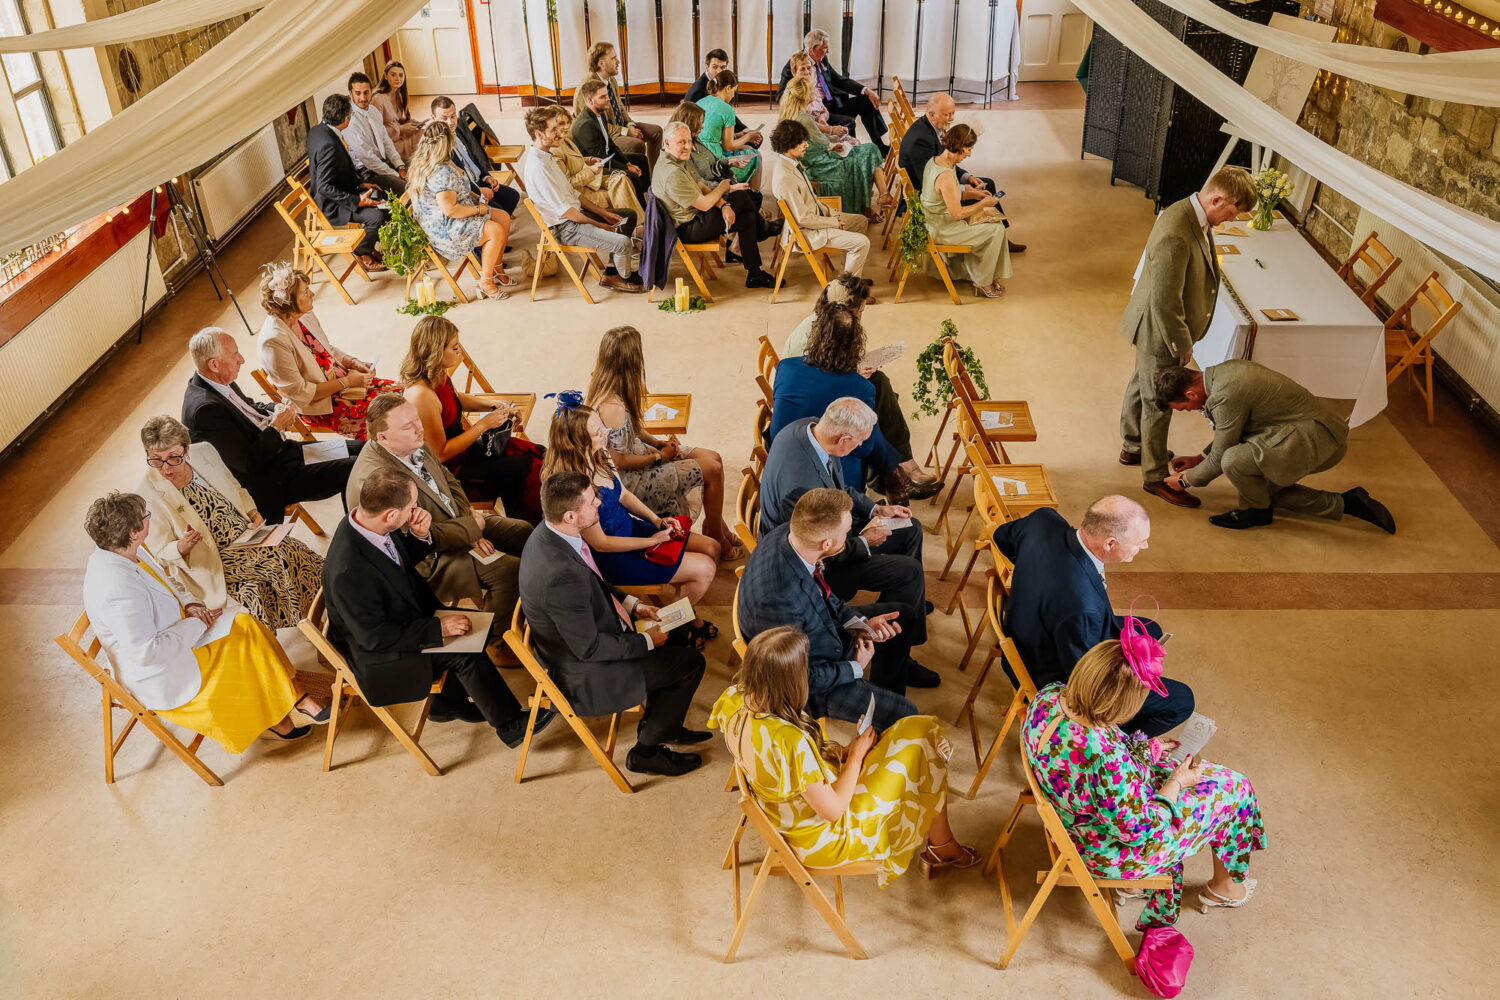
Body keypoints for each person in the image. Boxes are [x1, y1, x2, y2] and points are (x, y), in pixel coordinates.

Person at [1024, 640, 1266, 927]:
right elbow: (1142, 830)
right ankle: (1224, 887)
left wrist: (1143, 749)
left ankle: (1135, 887)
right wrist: (1176, 782)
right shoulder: (1105, 759)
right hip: (1104, 847)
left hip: (1077, 815)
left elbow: (1091, 769)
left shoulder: (1049, 696)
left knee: (1189, 773)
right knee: (1234, 789)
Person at [709, 627, 978, 883]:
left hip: (805, 799)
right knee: (924, 743)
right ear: (790, 681)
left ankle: (940, 830)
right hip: (823, 837)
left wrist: (850, 751)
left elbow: (793, 770)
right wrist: (857, 756)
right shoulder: (789, 741)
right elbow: (833, 811)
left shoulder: (735, 698)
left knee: (918, 731)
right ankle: (942, 842)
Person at [323, 467, 550, 745]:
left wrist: (419, 535)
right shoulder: (348, 570)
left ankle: (445, 703)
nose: (416, 510)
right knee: (464, 650)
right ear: (391, 515)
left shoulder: (366, 521)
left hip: (402, 619)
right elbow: (373, 637)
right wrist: (437, 628)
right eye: (412, 507)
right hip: (380, 655)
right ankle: (510, 725)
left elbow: (397, 561)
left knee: (474, 625)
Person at [82, 491, 325, 750]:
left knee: (246, 622)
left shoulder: (124, 550)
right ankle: (278, 716)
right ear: (133, 532)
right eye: (146, 516)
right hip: (162, 671)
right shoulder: (117, 587)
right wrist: (199, 623)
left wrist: (191, 603)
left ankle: (290, 696)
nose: (149, 520)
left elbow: (169, 582)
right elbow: (147, 653)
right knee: (242, 646)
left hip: (178, 631)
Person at [519, 471, 708, 776]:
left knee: (679, 631)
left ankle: (664, 724)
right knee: (690, 664)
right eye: (592, 501)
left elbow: (594, 578)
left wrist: (634, 604)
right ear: (570, 515)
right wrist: (647, 642)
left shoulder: (553, 533)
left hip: (594, 631)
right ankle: (645, 752)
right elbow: (589, 648)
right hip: (587, 671)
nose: (599, 502)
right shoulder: (558, 575)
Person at [757, 401, 935, 691]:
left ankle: (904, 636)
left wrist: (876, 510)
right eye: (861, 442)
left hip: (829, 533)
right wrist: (864, 542)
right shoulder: (801, 485)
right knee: (909, 572)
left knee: (910, 529)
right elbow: (820, 547)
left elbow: (837, 489)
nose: (862, 447)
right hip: (815, 564)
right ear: (844, 439)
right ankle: (895, 660)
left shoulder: (811, 428)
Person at [346, 394, 534, 665]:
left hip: (456, 523)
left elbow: (449, 481)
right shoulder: (377, 480)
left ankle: (529, 607)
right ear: (383, 438)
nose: (418, 428)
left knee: (523, 531)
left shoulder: (411, 442)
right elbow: (414, 539)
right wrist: (470, 531)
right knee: (507, 571)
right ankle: (494, 644)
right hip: (426, 559)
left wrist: (469, 519)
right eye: (407, 425)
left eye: (417, 419)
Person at [992, 495, 1193, 737]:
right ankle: (1119, 737)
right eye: (1141, 542)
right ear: (1110, 544)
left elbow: (1001, 538)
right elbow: (1086, 682)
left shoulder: (1043, 520)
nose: (1145, 547)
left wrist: (1038, 578)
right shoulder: (1082, 607)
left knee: (1152, 630)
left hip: (1028, 625)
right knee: (1182, 700)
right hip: (1044, 667)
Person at [1120, 165, 1258, 508]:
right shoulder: (1176, 230)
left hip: (1154, 326)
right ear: (1217, 199)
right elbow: (1165, 301)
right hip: (1159, 330)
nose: (1234, 217)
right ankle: (1154, 476)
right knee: (1158, 402)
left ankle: (1133, 445)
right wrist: (1181, 344)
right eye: (1234, 210)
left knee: (1142, 383)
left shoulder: (1191, 215)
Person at [541, 394, 721, 647]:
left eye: (601, 426)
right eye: (596, 432)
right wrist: (650, 540)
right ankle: (673, 624)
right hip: (615, 556)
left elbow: (623, 495)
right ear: (576, 442)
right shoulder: (577, 488)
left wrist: (657, 521)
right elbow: (602, 544)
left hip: (632, 529)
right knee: (705, 570)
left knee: (712, 548)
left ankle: (678, 611)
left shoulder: (601, 455)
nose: (605, 433)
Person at [738, 488, 921, 723]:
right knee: (907, 716)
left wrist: (859, 625)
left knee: (903, 617)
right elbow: (799, 677)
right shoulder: (779, 600)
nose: (850, 536)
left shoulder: (792, 533)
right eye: (847, 533)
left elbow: (823, 593)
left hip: (817, 632)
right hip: (809, 685)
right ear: (827, 544)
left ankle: (880, 696)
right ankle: (882, 716)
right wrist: (855, 666)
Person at [1155, 361, 1396, 533]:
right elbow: (1231, 432)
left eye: (1184, 408)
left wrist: (1185, 481)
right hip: (1299, 433)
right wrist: (1200, 458)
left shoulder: (1224, 395)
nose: (1190, 411)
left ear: (1190, 392)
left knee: (1234, 461)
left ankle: (1255, 511)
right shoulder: (1222, 374)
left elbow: (1222, 456)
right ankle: (1348, 503)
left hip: (1317, 440)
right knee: (1258, 489)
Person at [138, 416, 322, 630]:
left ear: (187, 449)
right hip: (212, 558)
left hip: (246, 536)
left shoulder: (204, 451)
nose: (166, 468)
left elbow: (236, 488)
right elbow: (160, 553)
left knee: (294, 549)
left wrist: (253, 512)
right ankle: (314, 624)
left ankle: (325, 612)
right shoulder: (146, 493)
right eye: (156, 460)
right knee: (280, 558)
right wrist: (181, 546)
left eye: (173, 458)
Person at [181, 327, 362, 524]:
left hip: (285, 453)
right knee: (357, 467)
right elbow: (248, 463)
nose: (241, 359)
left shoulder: (217, 380)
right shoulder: (204, 411)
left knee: (364, 450)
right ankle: (361, 531)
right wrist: (276, 427)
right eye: (235, 356)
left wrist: (276, 407)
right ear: (214, 364)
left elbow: (249, 407)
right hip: (272, 478)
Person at [584, 325, 737, 554]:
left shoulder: (617, 387)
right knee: (711, 470)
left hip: (641, 452)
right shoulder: (610, 405)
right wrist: (658, 457)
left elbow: (633, 428)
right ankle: (715, 532)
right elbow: (619, 461)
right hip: (632, 478)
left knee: (713, 457)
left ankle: (715, 523)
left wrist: (657, 443)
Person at [769, 302, 938, 501]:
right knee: (866, 435)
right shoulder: (859, 387)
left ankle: (896, 477)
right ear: (854, 344)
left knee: (868, 413)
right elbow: (865, 447)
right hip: (826, 479)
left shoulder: (786, 366)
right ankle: (896, 478)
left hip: (781, 456)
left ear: (815, 336)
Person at [399, 316, 544, 524]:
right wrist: (484, 425)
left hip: (465, 450)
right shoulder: (421, 395)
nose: (459, 353)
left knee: (537, 452)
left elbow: (455, 400)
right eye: (454, 348)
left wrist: (494, 406)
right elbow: (440, 454)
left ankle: (547, 512)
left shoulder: (436, 372)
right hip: (453, 472)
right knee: (526, 469)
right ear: (436, 351)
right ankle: (529, 530)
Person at [255, 261, 397, 440]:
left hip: (344, 383)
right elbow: (302, 393)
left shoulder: (303, 314)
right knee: (391, 415)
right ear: (288, 302)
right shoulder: (272, 341)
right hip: (324, 405)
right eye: (306, 291)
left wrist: (353, 362)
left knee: (404, 394)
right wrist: (347, 382)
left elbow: (327, 348)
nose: (312, 294)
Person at [521, 107, 644, 294]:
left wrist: (605, 213)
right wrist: (599, 224)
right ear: (539, 133)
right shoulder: (539, 168)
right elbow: (567, 213)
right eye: (553, 129)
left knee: (628, 215)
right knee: (623, 243)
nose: (559, 133)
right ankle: (622, 277)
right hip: (566, 227)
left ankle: (613, 272)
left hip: (576, 215)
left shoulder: (548, 157)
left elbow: (574, 194)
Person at [652, 120, 776, 289]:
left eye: (689, 141)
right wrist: (724, 187)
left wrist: (724, 205)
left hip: (697, 215)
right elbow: (703, 204)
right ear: (667, 143)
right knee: (741, 196)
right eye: (681, 142)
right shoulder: (672, 173)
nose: (687, 146)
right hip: (689, 228)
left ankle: (754, 274)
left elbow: (701, 187)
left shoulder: (675, 159)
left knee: (747, 218)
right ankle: (763, 229)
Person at [898, 94, 1025, 252]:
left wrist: (967, 178)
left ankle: (1000, 237)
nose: (951, 119)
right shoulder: (921, 141)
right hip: (928, 201)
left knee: (986, 184)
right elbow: (929, 181)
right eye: (947, 114)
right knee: (985, 192)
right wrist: (965, 190)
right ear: (932, 114)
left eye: (953, 113)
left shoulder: (930, 128)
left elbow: (945, 161)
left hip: (936, 187)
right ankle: (996, 237)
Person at [406, 120, 515, 301]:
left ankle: (496, 269)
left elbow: (459, 190)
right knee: (495, 230)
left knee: (503, 217)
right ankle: (485, 282)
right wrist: (479, 209)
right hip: (445, 228)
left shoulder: (442, 161)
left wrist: (478, 193)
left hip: (454, 214)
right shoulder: (441, 171)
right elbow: (450, 210)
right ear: (446, 144)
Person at [768, 119, 871, 277]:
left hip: (817, 219)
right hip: (808, 233)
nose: (807, 145)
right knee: (862, 243)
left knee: (861, 221)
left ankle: (848, 276)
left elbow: (812, 200)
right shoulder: (785, 178)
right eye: (802, 141)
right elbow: (803, 219)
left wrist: (832, 214)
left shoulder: (791, 162)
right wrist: (833, 222)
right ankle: (847, 291)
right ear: (789, 144)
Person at [778, 77, 889, 221]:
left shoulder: (792, 114)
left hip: (815, 159)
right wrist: (838, 142)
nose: (815, 92)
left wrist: (832, 144)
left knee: (866, 151)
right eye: (812, 89)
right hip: (819, 165)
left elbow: (818, 142)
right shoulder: (804, 119)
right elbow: (821, 143)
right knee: (867, 153)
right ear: (805, 94)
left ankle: (877, 199)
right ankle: (869, 203)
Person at [921, 123, 1011, 298]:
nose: (970, 153)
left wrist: (974, 194)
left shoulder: (937, 161)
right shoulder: (946, 174)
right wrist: (984, 204)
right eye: (969, 148)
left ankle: (980, 274)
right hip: (942, 228)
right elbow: (957, 214)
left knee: (994, 224)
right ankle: (983, 280)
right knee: (996, 230)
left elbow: (948, 196)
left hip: (936, 220)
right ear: (959, 147)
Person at [305, 94, 387, 269]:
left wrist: (359, 185)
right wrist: (357, 200)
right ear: (346, 119)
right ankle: (360, 251)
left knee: (380, 195)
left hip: (342, 188)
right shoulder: (329, 145)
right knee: (377, 216)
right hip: (331, 203)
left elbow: (335, 170)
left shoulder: (317, 130)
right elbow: (325, 186)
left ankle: (369, 246)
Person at [777, 28, 889, 154]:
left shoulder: (821, 60)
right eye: (825, 47)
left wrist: (866, 90)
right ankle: (851, 154)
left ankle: (880, 146)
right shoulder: (794, 66)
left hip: (831, 104)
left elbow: (838, 80)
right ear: (814, 48)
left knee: (866, 100)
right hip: (814, 112)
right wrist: (806, 110)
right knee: (848, 122)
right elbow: (781, 96)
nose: (828, 51)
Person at [546, 107, 644, 232]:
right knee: (622, 185)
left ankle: (635, 227)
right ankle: (636, 229)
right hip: (580, 191)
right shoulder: (554, 151)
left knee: (621, 178)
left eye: (567, 122)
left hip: (589, 182)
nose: (565, 127)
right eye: (561, 124)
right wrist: (591, 171)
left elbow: (575, 160)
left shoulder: (565, 140)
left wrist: (590, 159)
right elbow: (568, 184)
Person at [571, 42, 662, 169]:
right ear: (601, 63)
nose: (618, 62)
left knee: (656, 131)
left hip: (620, 126)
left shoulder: (611, 80)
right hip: (607, 135)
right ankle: (633, 175)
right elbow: (590, 125)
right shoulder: (587, 88)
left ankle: (654, 175)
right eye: (613, 58)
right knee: (638, 145)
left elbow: (620, 107)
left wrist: (630, 124)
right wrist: (625, 131)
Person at [429, 95, 522, 215]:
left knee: (513, 196)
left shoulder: (457, 132)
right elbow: (457, 183)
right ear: (433, 118)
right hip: (468, 192)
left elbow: (473, 159)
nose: (450, 122)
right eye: (444, 118)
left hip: (479, 180)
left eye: (453, 116)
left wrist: (487, 177)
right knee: (500, 212)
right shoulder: (438, 147)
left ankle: (500, 226)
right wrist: (479, 191)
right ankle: (496, 227)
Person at [570, 80, 652, 200]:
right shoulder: (585, 125)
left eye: (607, 95)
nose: (608, 99)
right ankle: (643, 212)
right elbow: (600, 159)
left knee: (642, 160)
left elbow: (611, 145)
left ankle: (649, 199)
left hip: (607, 158)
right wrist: (627, 168)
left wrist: (627, 162)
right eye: (603, 97)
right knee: (632, 175)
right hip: (594, 167)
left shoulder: (600, 114)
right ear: (590, 101)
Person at [695, 70, 760, 187]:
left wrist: (739, 136)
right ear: (728, 88)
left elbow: (711, 133)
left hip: (696, 152)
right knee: (755, 155)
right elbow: (728, 146)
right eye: (734, 91)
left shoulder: (700, 102)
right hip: (713, 157)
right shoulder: (727, 110)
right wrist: (748, 136)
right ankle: (755, 193)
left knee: (746, 147)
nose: (733, 95)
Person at [345, 71, 406, 196]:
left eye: (366, 92)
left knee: (420, 169)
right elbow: (368, 159)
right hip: (368, 172)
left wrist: (399, 166)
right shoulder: (350, 121)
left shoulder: (373, 111)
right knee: (407, 188)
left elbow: (386, 141)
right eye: (358, 93)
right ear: (350, 94)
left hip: (384, 162)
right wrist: (395, 174)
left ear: (371, 91)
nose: (363, 98)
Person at [685, 48, 759, 145]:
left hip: (709, 136)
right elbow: (720, 116)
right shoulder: (700, 91)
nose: (719, 71)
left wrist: (743, 129)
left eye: (722, 67)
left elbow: (723, 114)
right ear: (706, 67)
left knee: (753, 138)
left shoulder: (713, 88)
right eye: (715, 67)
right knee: (752, 143)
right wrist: (744, 134)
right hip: (698, 140)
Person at [786, 51, 848, 142]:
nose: (807, 72)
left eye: (809, 68)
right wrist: (831, 129)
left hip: (821, 129)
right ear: (794, 72)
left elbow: (824, 110)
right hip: (807, 135)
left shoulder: (812, 87)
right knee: (849, 144)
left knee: (849, 141)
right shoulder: (794, 93)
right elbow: (805, 123)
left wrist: (822, 117)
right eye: (802, 69)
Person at [372, 60, 422, 160]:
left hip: (397, 136)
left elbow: (396, 120)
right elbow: (375, 132)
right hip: (387, 144)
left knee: (425, 133)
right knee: (422, 142)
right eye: (393, 75)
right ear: (385, 76)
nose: (397, 79)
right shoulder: (378, 99)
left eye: (401, 75)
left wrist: (411, 122)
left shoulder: (398, 94)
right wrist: (401, 129)